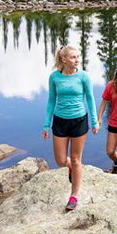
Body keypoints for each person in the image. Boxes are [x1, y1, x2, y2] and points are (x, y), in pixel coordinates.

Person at [42, 45, 99, 211]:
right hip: (59, 121)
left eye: (78, 56)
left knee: (76, 159)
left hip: (79, 121)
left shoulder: (83, 77)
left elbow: (90, 99)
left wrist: (95, 121)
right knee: (60, 160)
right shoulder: (54, 77)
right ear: (63, 60)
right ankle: (71, 168)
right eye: (73, 57)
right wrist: (46, 124)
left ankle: (74, 196)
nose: (77, 60)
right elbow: (51, 100)